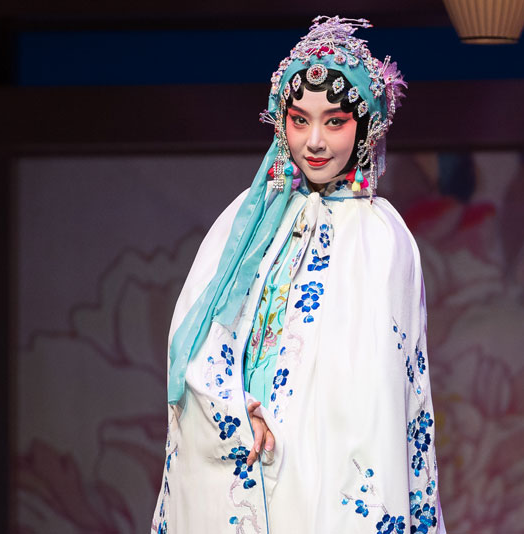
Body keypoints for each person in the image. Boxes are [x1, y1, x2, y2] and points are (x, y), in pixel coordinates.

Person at [151, 16, 446, 534]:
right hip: (247, 453)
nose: (314, 141)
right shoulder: (247, 217)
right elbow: (196, 339)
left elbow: (379, 390)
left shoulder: (381, 236)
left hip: (328, 472)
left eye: (335, 121)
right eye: (299, 119)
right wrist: (238, 412)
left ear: (367, 127)